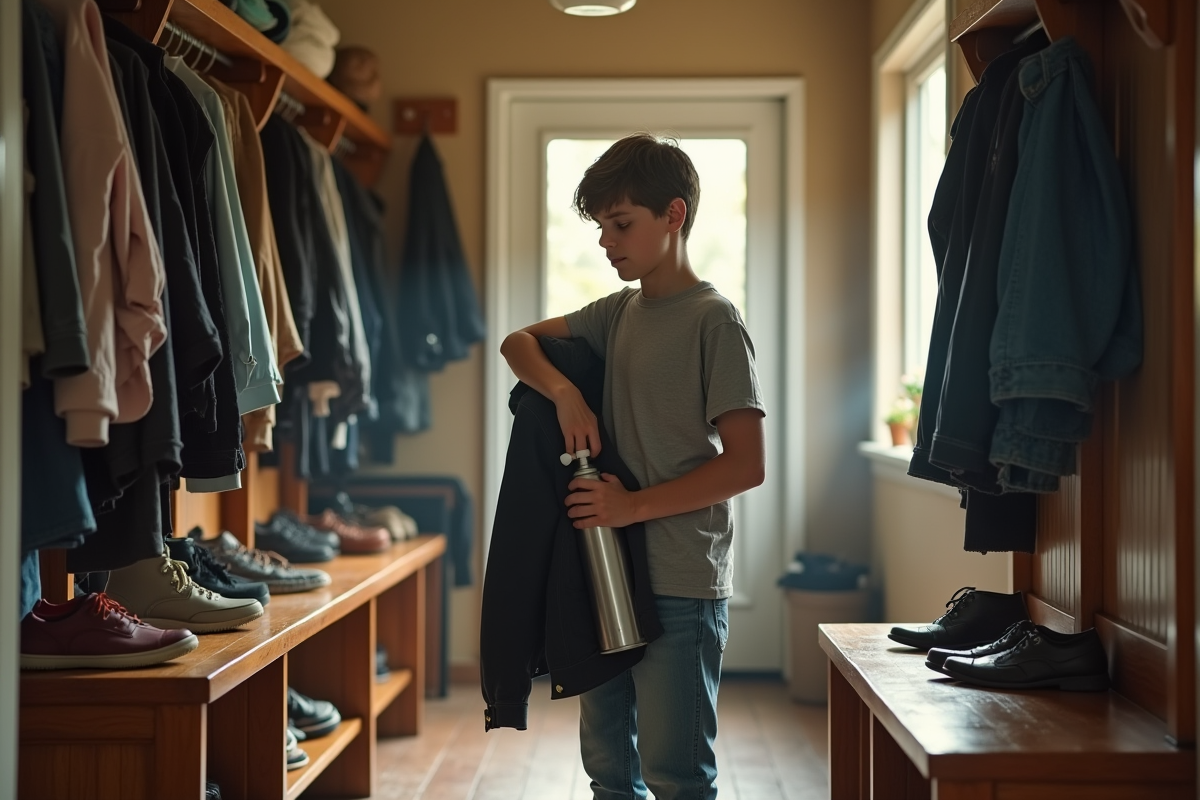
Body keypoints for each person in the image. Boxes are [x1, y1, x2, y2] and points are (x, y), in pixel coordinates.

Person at [499, 132, 766, 800]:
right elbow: (517, 342)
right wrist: (563, 393)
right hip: (607, 571)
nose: (605, 241)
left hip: (680, 577)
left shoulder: (714, 321)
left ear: (674, 215)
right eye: (600, 226)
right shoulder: (617, 312)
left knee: (677, 776)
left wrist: (632, 507)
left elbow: (746, 466)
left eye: (620, 224)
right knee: (610, 771)